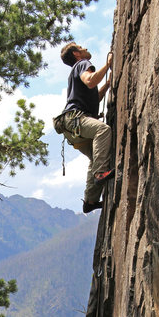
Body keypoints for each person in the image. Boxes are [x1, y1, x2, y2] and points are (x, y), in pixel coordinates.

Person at [60, 43, 114, 213]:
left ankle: (90, 201)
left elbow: (92, 96)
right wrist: (108, 65)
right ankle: (100, 174)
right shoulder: (82, 64)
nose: (86, 48)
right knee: (103, 130)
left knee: (96, 156)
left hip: (71, 127)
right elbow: (90, 81)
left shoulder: (75, 70)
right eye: (81, 47)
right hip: (75, 119)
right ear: (77, 54)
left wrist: (107, 85)